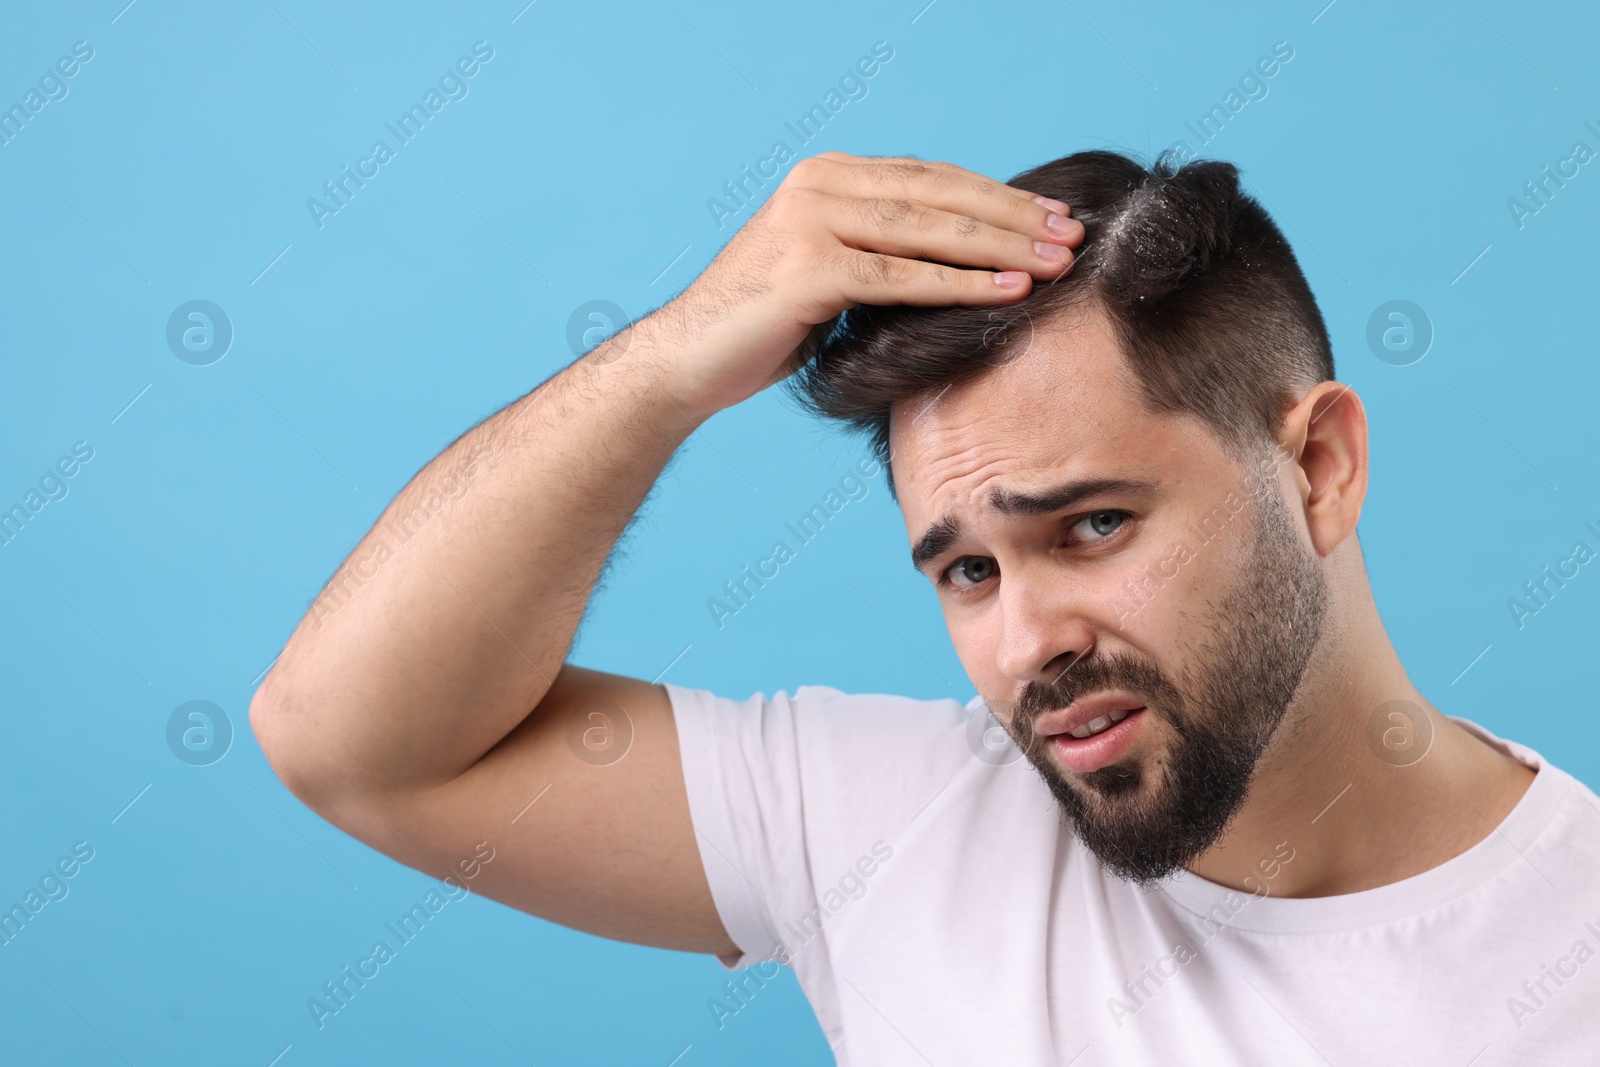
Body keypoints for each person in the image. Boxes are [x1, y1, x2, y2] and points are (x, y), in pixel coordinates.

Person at [250, 149, 1600, 1064]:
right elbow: (352, 741)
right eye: (968, 571)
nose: (1028, 646)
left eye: (1092, 525)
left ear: (1317, 468)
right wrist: (675, 357)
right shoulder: (891, 826)